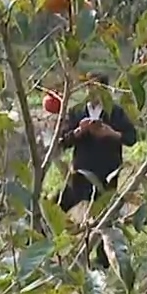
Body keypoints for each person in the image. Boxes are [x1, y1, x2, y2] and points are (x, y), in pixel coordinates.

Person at [55, 73, 139, 212]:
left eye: (96, 87)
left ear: (105, 90)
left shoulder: (115, 112)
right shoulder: (77, 111)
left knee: (104, 213)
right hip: (81, 173)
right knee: (59, 206)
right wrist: (78, 131)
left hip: (107, 174)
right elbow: (62, 141)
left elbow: (131, 138)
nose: (91, 91)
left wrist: (111, 133)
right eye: (88, 86)